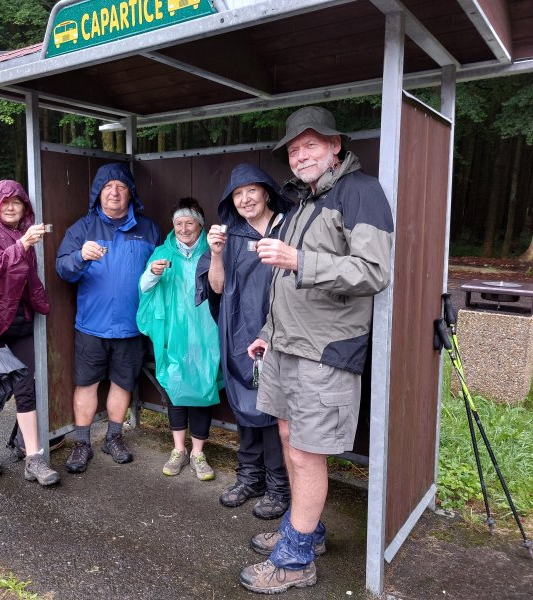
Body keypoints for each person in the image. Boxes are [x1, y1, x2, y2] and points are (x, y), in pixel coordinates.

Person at [239, 106, 393, 594]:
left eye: (310, 145)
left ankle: (295, 559)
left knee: (306, 453)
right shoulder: (303, 201)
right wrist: (267, 329)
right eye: (293, 148)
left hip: (326, 351)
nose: (300, 154)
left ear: (335, 146)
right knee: (289, 437)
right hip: (286, 345)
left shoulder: (361, 192)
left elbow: (374, 271)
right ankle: (307, 530)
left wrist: (302, 258)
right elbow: (285, 283)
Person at [196, 164, 291, 520]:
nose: (246, 198)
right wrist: (217, 253)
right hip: (239, 330)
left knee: (275, 409)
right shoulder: (230, 236)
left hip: (283, 332)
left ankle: (279, 486)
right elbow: (216, 287)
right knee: (245, 404)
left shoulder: (290, 226)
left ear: (266, 191)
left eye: (252, 190)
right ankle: (249, 477)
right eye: (238, 194)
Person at [56, 162, 160, 473]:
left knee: (122, 383)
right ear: (98, 193)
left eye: (121, 187)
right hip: (92, 325)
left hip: (132, 325)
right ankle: (81, 443)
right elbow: (62, 269)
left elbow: (160, 268)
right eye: (107, 187)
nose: (114, 192)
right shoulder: (83, 228)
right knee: (86, 384)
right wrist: (79, 257)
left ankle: (114, 437)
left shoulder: (147, 228)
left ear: (130, 194)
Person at [0, 179, 60, 486]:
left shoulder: (31, 228)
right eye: (5, 201)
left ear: (25, 206)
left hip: (22, 320)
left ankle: (33, 458)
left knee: (26, 386)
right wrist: (22, 245)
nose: (11, 207)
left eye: (17, 202)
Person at [136, 198, 222, 481]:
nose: (184, 228)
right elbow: (143, 288)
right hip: (172, 332)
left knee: (203, 386)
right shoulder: (162, 252)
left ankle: (198, 452)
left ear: (200, 223)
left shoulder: (213, 251)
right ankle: (178, 450)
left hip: (206, 332)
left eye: (189, 222)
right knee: (175, 387)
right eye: (178, 223)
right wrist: (152, 273)